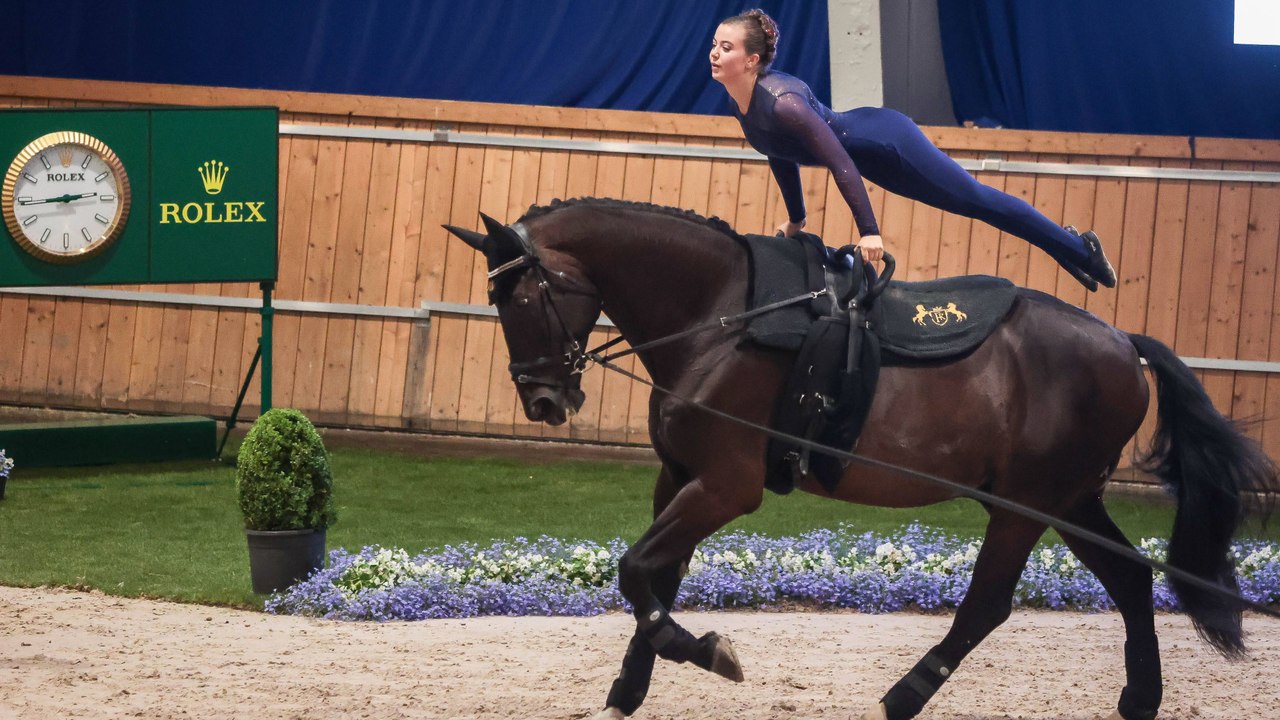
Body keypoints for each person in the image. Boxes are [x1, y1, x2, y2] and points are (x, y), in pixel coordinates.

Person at [710, 9, 1117, 292]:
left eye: (727, 47)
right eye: (716, 43)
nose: (714, 52)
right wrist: (796, 219)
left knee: (977, 200)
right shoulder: (740, 102)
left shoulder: (786, 104)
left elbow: (840, 162)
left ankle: (1082, 249)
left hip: (889, 143)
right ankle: (1063, 244)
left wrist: (869, 231)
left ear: (752, 60)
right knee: (975, 204)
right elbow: (777, 151)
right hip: (873, 159)